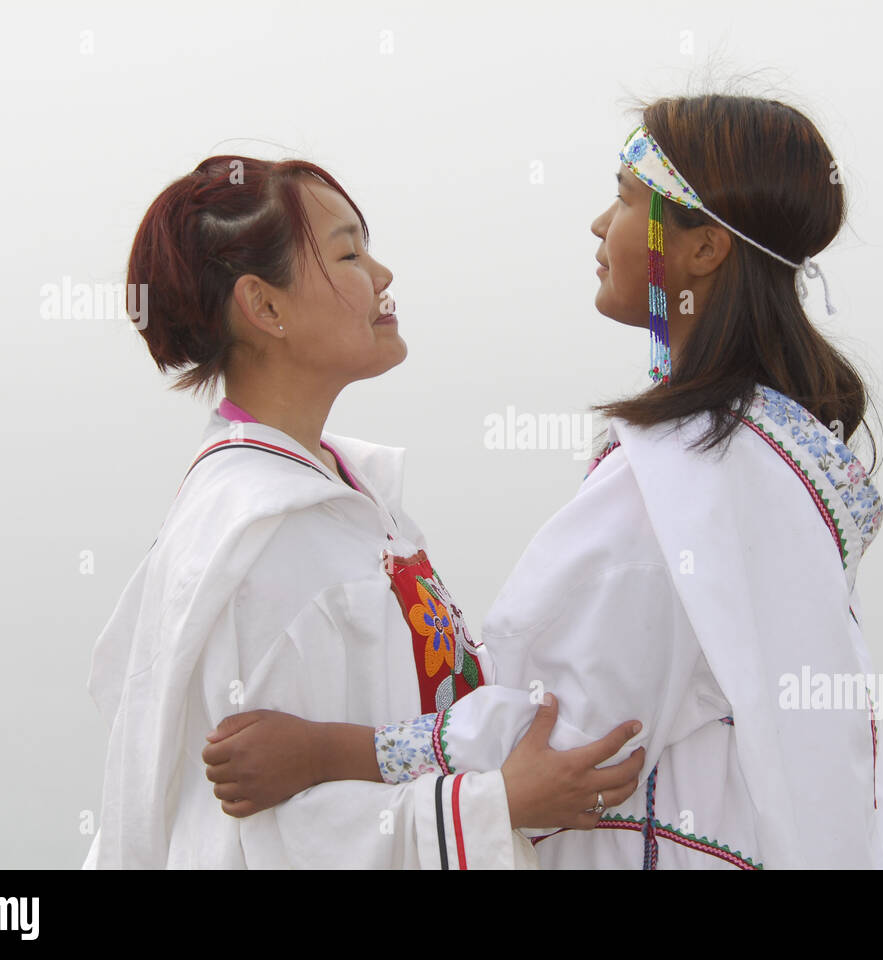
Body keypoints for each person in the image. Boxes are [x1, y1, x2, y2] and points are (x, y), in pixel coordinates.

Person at [202, 94, 883, 869]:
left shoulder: (690, 474)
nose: (601, 225)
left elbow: (562, 737)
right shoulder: (768, 453)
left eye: (626, 197)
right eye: (346, 255)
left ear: (704, 249)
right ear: (258, 305)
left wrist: (324, 751)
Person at [81, 155, 644, 869]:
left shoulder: (351, 497)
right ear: (266, 307)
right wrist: (495, 804)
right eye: (348, 252)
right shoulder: (255, 536)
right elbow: (257, 833)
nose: (382, 276)